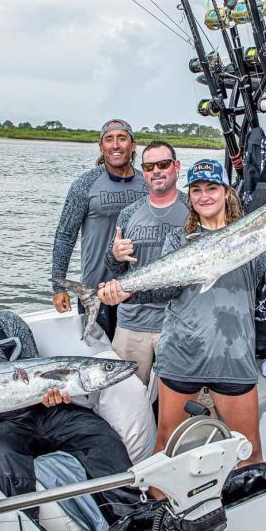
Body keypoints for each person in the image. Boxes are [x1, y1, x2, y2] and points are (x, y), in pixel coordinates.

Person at [99, 159, 266, 465]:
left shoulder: (255, 233)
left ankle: (244, 495)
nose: (204, 195)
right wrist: (127, 291)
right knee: (167, 449)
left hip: (233, 355)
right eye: (196, 190)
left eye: (212, 188)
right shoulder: (178, 238)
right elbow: (165, 290)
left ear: (226, 192)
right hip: (182, 353)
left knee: (249, 451)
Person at [0, 255, 133, 525]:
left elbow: (34, 372)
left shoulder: (8, 322)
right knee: (1, 458)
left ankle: (129, 514)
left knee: (99, 435)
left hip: (43, 410)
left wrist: (51, 396)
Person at [52, 119, 147, 340]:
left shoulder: (147, 183)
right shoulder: (85, 184)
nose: (116, 145)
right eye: (109, 139)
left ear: (133, 144)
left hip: (138, 289)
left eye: (122, 138)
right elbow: (65, 236)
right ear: (101, 146)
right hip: (96, 291)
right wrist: (59, 286)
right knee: (100, 354)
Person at [105, 140, 188, 387]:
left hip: (178, 324)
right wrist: (114, 256)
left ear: (176, 166)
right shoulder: (129, 213)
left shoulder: (193, 208)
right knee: (125, 398)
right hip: (132, 324)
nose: (156, 171)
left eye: (163, 164)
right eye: (149, 167)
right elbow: (115, 268)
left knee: (179, 400)